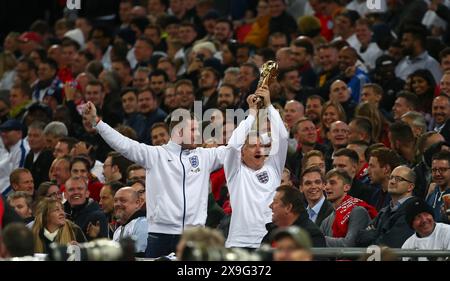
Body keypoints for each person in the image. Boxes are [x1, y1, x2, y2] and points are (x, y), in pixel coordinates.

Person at [83, 100, 227, 258]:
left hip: (194, 235)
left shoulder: (203, 156)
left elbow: (235, 150)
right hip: (161, 236)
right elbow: (124, 144)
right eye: (193, 130)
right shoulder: (155, 155)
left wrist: (254, 116)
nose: (199, 134)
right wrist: (97, 123)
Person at [223, 85, 288, 248]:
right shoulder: (235, 172)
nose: (259, 149)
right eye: (252, 145)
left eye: (261, 145)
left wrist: (269, 105)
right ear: (242, 152)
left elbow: (283, 136)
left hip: (270, 242)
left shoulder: (273, 166)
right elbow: (232, 146)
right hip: (239, 243)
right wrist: (252, 114)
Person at [356, 166, 416, 248]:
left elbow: (391, 244)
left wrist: (375, 232)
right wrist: (380, 234)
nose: (392, 182)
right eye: (391, 178)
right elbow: (360, 238)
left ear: (410, 187)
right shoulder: (384, 211)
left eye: (398, 179)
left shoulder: (413, 210)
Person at [320, 169, 377, 247]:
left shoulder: (358, 211)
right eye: (325, 184)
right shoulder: (326, 221)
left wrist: (319, 239)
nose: (326, 187)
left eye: (332, 183)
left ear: (346, 187)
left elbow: (349, 244)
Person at [63, 176, 108, 241]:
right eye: (71, 189)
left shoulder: (97, 216)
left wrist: (98, 236)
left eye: (80, 189)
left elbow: (103, 248)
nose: (76, 192)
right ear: (65, 195)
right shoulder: (61, 215)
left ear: (87, 193)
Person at [112, 187, 147, 257]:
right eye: (115, 200)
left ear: (137, 203)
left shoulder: (143, 223)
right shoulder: (118, 230)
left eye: (123, 200)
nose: (117, 204)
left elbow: (138, 257)